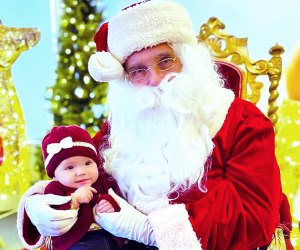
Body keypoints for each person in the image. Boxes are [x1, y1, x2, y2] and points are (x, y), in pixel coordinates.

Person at [17, 1, 292, 249]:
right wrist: (42, 203)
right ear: (125, 78)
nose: (156, 79)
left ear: (187, 59)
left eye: (165, 61)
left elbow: (254, 218)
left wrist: (149, 230)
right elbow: (86, 174)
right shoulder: (124, 124)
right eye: (138, 70)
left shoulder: (242, 119)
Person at [19, 125, 121, 250]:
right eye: (70, 168)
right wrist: (74, 200)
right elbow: (53, 216)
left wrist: (109, 203)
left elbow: (118, 198)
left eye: (88, 163)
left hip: (109, 237)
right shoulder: (54, 189)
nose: (81, 172)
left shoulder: (102, 180)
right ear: (55, 175)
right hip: (76, 242)